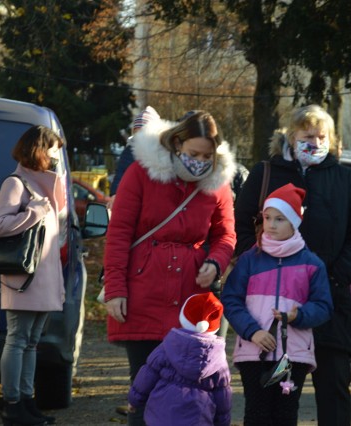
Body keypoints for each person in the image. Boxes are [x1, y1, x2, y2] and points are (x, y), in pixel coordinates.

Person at [234, 105, 351, 425]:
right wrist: (258, 270)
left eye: (321, 136)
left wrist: (338, 275)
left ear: (332, 140)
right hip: (273, 305)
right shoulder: (266, 173)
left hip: (330, 302)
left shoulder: (345, 179)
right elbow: (240, 224)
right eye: (307, 135)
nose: (314, 141)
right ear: (291, 136)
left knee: (334, 389)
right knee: (272, 399)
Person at [103, 110, 237, 426]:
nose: (200, 161)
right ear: (177, 144)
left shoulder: (217, 183)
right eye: (194, 154)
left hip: (190, 300)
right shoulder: (141, 172)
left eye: (207, 155)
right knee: (144, 389)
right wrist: (115, 289)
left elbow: (226, 234)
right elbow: (119, 232)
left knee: (189, 395)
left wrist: (215, 262)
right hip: (143, 292)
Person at [222, 183, 333, 425]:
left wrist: (299, 316)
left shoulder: (312, 264)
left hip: (293, 354)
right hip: (255, 351)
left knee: (285, 414)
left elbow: (324, 306)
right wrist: (253, 331)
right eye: (267, 217)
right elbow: (231, 299)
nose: (271, 225)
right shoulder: (250, 259)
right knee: (257, 413)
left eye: (280, 219)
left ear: (294, 222)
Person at [0, 125, 68, 426]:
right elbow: (0, 225)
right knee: (18, 339)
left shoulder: (43, 184)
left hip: (43, 278)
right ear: (39, 149)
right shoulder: (17, 183)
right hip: (23, 278)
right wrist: (33, 212)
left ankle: (26, 401)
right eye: (53, 148)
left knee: (32, 341)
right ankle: (12, 405)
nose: (56, 155)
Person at [127, 292, 232, 425]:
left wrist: (135, 399)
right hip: (198, 413)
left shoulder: (168, 345)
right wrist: (223, 420)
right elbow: (222, 391)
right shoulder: (218, 357)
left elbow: (148, 373)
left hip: (162, 408)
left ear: (184, 318)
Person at [107, 105, 160, 210]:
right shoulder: (130, 151)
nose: (140, 139)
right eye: (137, 134)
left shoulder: (163, 153)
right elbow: (121, 173)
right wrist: (115, 194)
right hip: (134, 199)